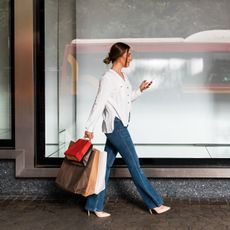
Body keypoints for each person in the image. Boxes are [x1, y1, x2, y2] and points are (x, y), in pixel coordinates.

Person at [84, 42, 170, 218]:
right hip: (116, 127)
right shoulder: (108, 78)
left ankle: (93, 205)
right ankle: (155, 203)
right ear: (121, 55)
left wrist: (139, 90)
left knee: (105, 167)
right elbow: (99, 103)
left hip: (119, 125)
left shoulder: (122, 76)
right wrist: (89, 128)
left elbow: (126, 101)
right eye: (129, 54)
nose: (131, 57)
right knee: (135, 166)